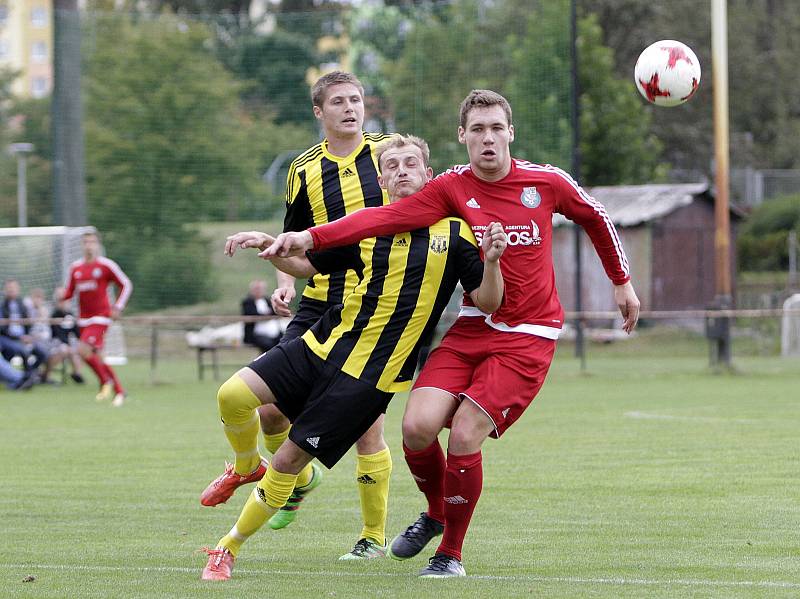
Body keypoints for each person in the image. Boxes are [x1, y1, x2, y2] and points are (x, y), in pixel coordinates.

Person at [264, 89, 641, 577]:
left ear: (511, 132)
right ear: (462, 136)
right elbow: (383, 217)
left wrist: (622, 282)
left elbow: (596, 216)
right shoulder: (448, 188)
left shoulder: (545, 182)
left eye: (496, 128)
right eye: (478, 130)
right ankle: (438, 512)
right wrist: (311, 236)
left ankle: (450, 554)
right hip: (471, 327)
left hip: (528, 335)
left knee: (465, 434)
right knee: (416, 428)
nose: (488, 139)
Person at [199, 134, 508, 581]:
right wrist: (270, 245)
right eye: (394, 165)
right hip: (322, 343)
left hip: (367, 377)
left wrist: (493, 261)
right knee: (232, 396)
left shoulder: (455, 232)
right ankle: (247, 467)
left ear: (428, 173)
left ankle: (227, 549)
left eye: (411, 164)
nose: (403, 170)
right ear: (382, 179)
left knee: (287, 461)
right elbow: (309, 265)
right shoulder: (368, 223)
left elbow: (490, 301)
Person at [200, 71, 395, 560]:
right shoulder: (304, 170)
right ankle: (300, 478)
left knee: (366, 424)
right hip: (319, 301)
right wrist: (285, 284)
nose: (351, 108)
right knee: (269, 410)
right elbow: (293, 237)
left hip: (374, 306)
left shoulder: (388, 153)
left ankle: (372, 536)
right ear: (319, 112)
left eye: (356, 99)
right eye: (339, 101)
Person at [63, 231, 133, 407]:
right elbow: (70, 292)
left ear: (98, 245)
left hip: (101, 317)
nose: (89, 245)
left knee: (82, 350)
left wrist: (118, 307)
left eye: (92, 242)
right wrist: (61, 297)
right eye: (86, 242)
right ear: (81, 245)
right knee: (97, 357)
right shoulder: (76, 268)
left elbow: (126, 284)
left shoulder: (105, 265)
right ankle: (118, 390)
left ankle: (106, 382)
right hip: (83, 319)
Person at [0, 278, 52, 380]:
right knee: (22, 350)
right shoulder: (2, 307)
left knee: (42, 353)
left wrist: (28, 336)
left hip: (24, 338)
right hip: (8, 339)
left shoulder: (22, 306)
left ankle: (29, 375)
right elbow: (2, 329)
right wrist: (18, 337)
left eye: (13, 287)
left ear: (18, 289)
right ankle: (23, 379)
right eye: (9, 288)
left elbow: (28, 324)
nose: (11, 290)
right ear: (5, 289)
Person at [47, 287, 85, 384]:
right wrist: (67, 344)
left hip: (68, 343)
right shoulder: (54, 315)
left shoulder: (70, 314)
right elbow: (56, 334)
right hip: (55, 342)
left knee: (78, 349)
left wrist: (81, 342)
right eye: (60, 300)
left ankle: (77, 374)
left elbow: (77, 333)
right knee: (65, 349)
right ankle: (47, 374)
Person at [241, 280, 281, 353]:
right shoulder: (248, 302)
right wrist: (265, 316)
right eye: (257, 289)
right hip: (256, 334)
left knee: (285, 341)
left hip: (274, 333)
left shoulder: (268, 300)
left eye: (260, 289)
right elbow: (251, 313)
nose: (259, 291)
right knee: (268, 344)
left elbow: (275, 312)